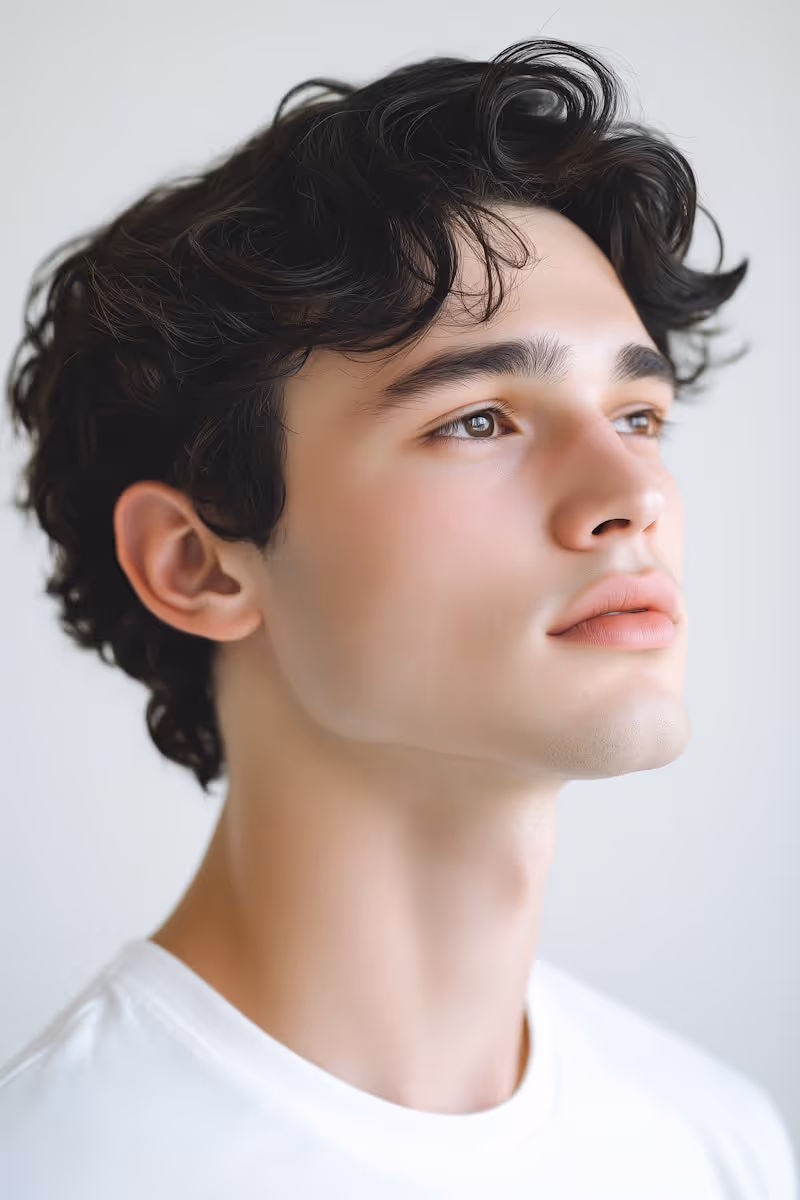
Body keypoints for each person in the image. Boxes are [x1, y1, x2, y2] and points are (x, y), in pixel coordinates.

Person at [1, 35, 796, 1199]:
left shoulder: (716, 1145)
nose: (632, 499)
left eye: (636, 416)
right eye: (476, 420)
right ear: (198, 565)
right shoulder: (54, 1166)